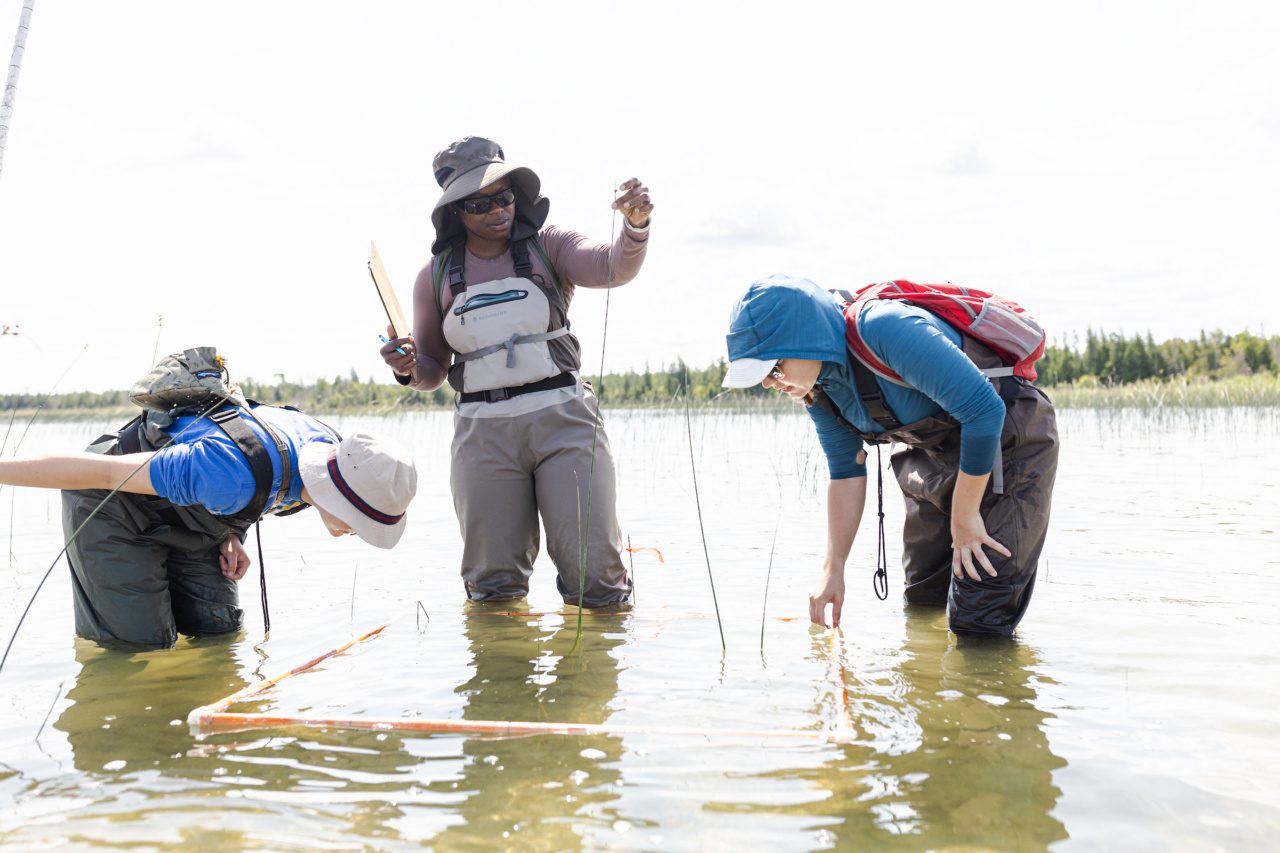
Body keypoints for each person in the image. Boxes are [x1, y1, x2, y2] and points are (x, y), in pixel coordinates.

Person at [380, 136, 652, 608]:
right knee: (491, 585)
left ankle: (597, 669)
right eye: (480, 203)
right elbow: (431, 370)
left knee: (597, 579)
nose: (497, 210)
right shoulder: (436, 274)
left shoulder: (551, 245)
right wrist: (405, 367)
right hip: (482, 435)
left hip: (564, 422)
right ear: (455, 212)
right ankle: (503, 674)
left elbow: (612, 267)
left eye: (504, 196)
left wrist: (636, 225)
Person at [722, 275, 1058, 636]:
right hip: (933, 453)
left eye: (773, 368)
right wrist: (832, 570)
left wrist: (964, 517)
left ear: (807, 340)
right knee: (922, 602)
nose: (770, 383)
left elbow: (984, 410)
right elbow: (845, 472)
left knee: (979, 618)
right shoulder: (816, 389)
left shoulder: (884, 328)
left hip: (1005, 440)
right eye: (761, 377)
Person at [0, 394, 418, 647]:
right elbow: (102, 474)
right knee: (140, 645)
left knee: (218, 635)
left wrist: (231, 533)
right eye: (357, 523)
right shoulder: (229, 473)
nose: (354, 534)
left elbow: (265, 483)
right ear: (337, 493)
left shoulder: (332, 449)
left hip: (196, 514)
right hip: (112, 500)